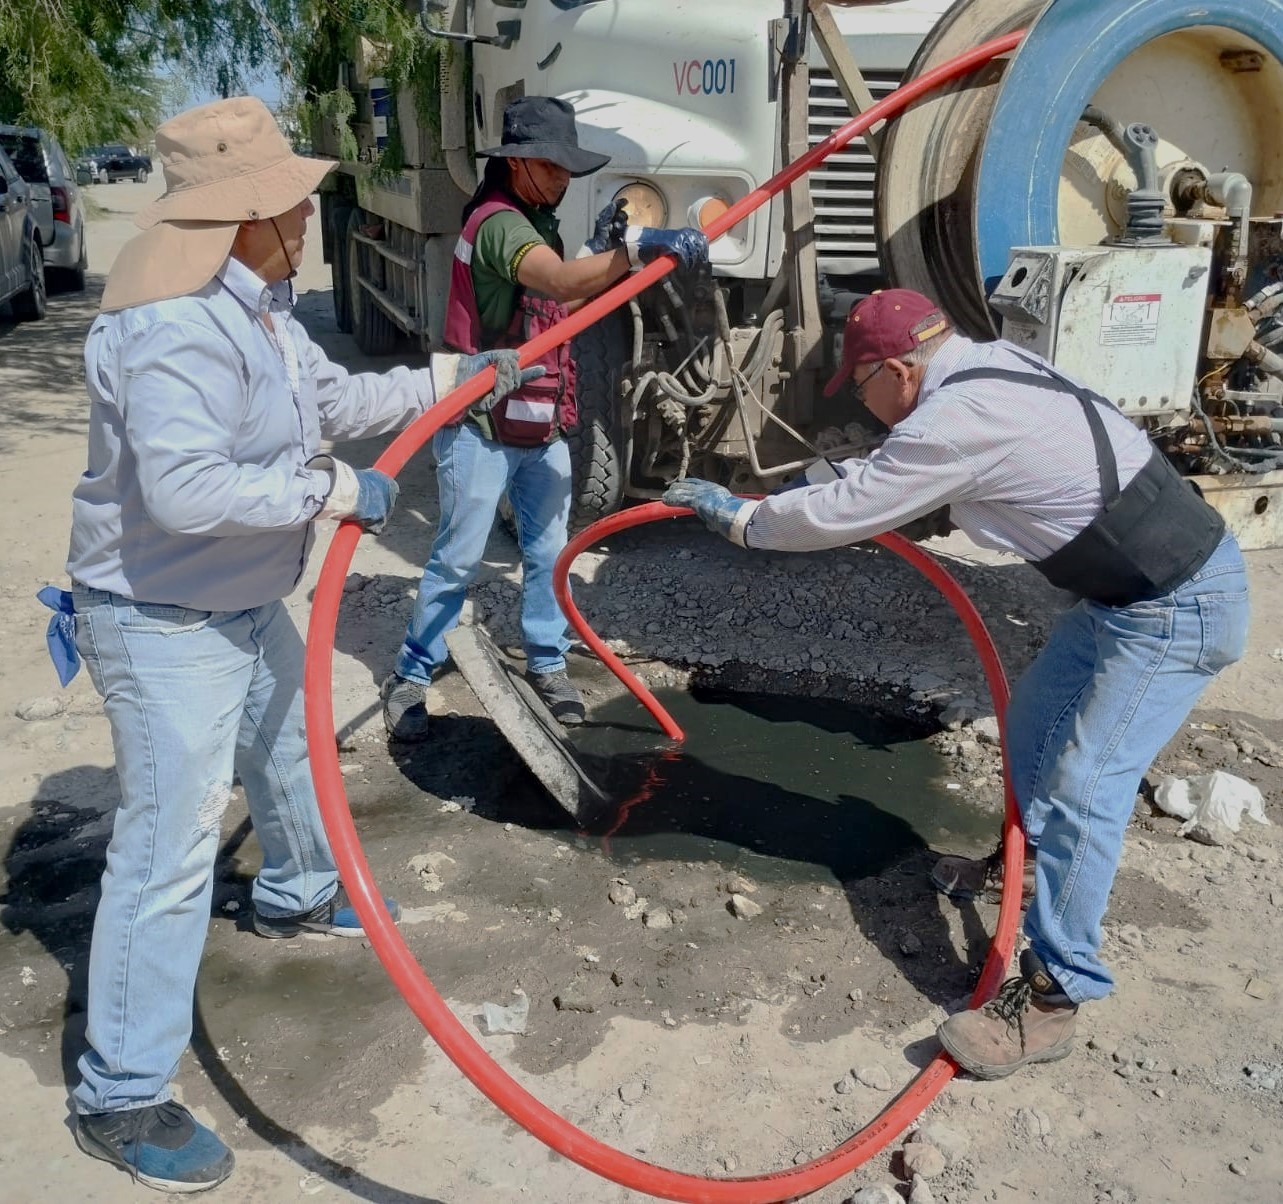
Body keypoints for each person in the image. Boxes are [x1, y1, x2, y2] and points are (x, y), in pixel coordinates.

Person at [40, 96, 539, 1193]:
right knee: (167, 853)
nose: (310, 213)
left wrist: (459, 376)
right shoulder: (170, 323)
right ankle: (121, 1093)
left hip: (236, 596)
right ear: (240, 213)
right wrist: (330, 490)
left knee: (284, 745)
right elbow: (184, 490)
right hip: (161, 613)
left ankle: (299, 891)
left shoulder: (256, 304)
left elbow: (335, 396)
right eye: (293, 201)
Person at [662, 288, 1250, 1080]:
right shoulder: (986, 372)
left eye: (860, 387)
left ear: (897, 369)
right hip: (1122, 601)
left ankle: (1051, 998)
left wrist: (741, 517)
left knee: (1085, 786)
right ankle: (1030, 864)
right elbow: (893, 474)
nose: (863, 406)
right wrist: (806, 484)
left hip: (1174, 608)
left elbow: (852, 507)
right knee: (1033, 726)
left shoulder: (958, 418)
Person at [382, 95, 710, 740]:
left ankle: (547, 662)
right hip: (480, 422)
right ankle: (412, 676)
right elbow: (560, 283)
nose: (564, 181)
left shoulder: (537, 222)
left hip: (541, 420)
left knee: (548, 552)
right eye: (555, 168)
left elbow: (566, 292)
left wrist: (608, 248)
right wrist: (640, 249)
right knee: (458, 557)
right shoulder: (499, 221)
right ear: (521, 163)